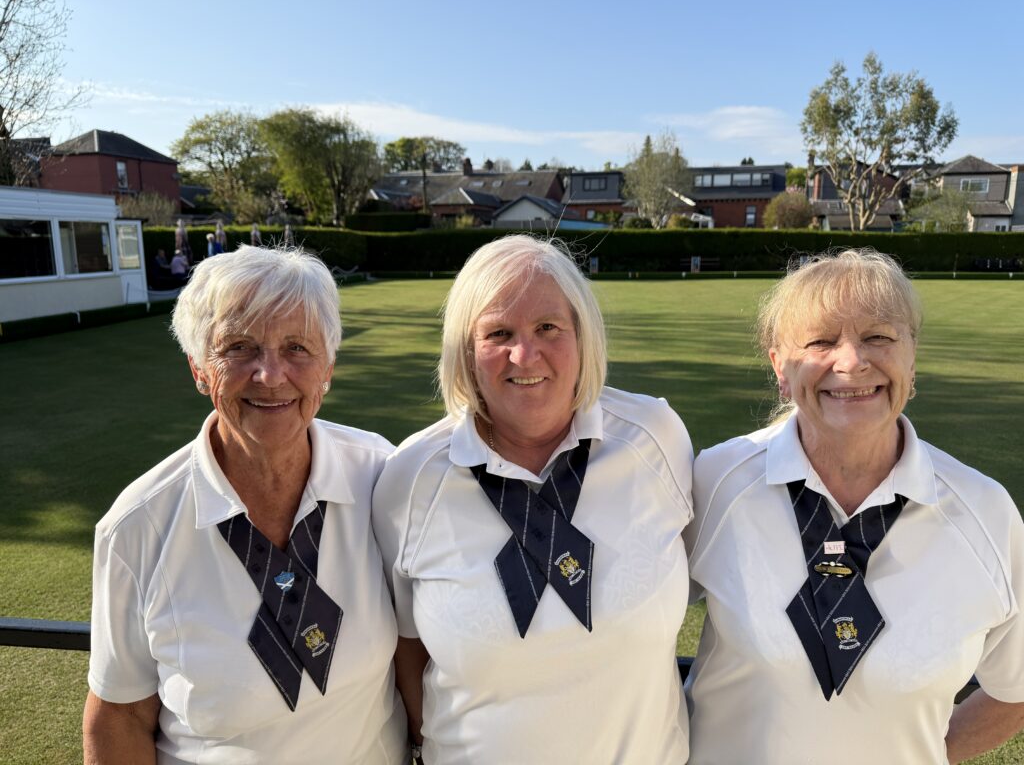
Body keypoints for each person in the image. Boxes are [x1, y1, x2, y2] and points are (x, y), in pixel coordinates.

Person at [684, 249, 1024, 763]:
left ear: (912, 357)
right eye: (820, 341)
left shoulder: (985, 512)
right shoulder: (717, 481)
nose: (852, 361)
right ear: (780, 367)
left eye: (879, 337)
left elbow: (1015, 689)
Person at [372, 234, 694, 763]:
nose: (524, 355)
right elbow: (406, 647)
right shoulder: (410, 479)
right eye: (498, 333)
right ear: (465, 350)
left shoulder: (654, 438)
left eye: (548, 327)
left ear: (582, 335)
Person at [83, 246, 407, 763]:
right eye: (239, 347)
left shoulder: (383, 475)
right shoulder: (137, 527)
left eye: (297, 347)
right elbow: (119, 715)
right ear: (198, 369)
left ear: (328, 367)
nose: (271, 375)